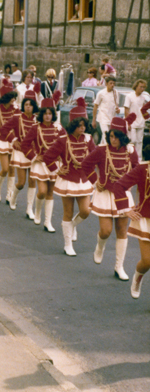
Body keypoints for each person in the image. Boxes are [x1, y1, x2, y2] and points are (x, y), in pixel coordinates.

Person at [83, 114, 139, 281]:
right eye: (111, 136)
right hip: (105, 194)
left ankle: (119, 266)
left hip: (123, 195)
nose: (112, 139)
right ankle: (99, 246)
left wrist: (130, 187)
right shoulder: (101, 150)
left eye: (116, 136)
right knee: (106, 231)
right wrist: (95, 181)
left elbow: (137, 171)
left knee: (122, 231)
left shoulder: (130, 151)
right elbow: (86, 164)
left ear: (123, 137)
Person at [43, 98, 95, 256]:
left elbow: (94, 158)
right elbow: (47, 157)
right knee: (67, 211)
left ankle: (72, 225)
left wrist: (96, 180)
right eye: (79, 125)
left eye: (84, 125)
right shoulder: (63, 140)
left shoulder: (88, 139)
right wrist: (57, 170)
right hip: (68, 180)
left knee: (85, 211)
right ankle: (68, 244)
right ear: (73, 125)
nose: (83, 128)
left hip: (83, 180)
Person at [20, 92, 63, 231]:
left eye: (50, 113)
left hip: (54, 164)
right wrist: (33, 156)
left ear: (53, 115)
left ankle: (48, 222)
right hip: (41, 164)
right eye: (45, 113)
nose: (47, 116)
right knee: (42, 192)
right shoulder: (35, 128)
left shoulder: (59, 128)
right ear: (41, 114)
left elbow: (66, 145)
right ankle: (37, 211)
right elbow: (24, 145)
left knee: (50, 193)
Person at [113, 144, 150, 299]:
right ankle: (138, 277)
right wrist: (126, 209)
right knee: (147, 261)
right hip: (146, 219)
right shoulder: (142, 169)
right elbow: (119, 185)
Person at [0, 90, 38, 214]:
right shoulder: (17, 118)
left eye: (30, 105)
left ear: (34, 106)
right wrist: (13, 139)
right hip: (21, 152)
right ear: (23, 106)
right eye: (26, 105)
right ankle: (13, 198)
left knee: (32, 181)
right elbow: (4, 129)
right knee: (21, 183)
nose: (28, 107)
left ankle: (29, 209)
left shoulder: (38, 120)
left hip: (33, 153)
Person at [124, 79, 148, 159]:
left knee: (139, 142)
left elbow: (143, 109)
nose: (142, 89)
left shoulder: (143, 98)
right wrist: (128, 123)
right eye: (141, 87)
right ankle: (129, 157)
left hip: (141, 123)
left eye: (144, 87)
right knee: (132, 140)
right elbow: (126, 110)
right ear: (136, 86)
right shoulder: (129, 96)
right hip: (132, 123)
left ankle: (139, 159)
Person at [92, 76, 120, 145]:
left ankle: (100, 149)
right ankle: (107, 151)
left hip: (111, 117)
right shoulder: (101, 93)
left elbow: (117, 106)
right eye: (111, 83)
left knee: (105, 136)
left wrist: (118, 110)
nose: (112, 85)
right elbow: (95, 106)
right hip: (103, 117)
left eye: (114, 83)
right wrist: (93, 120)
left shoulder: (116, 92)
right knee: (106, 133)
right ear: (106, 84)